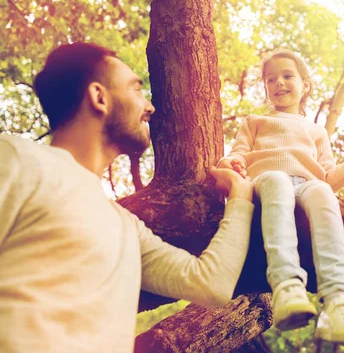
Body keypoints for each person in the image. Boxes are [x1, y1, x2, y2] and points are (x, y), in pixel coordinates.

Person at [0, 42, 255, 353]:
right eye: (136, 90)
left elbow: (211, 285)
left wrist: (241, 197)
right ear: (99, 97)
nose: (149, 107)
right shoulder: (16, 159)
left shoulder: (126, 227)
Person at [218, 48, 344, 351]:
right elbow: (237, 154)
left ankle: (340, 303)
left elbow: (331, 178)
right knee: (277, 180)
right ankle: (287, 286)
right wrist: (232, 164)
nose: (279, 83)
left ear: (305, 84)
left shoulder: (317, 132)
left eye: (287, 76)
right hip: (265, 183)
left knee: (323, 193)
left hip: (306, 185)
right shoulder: (255, 122)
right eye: (270, 79)